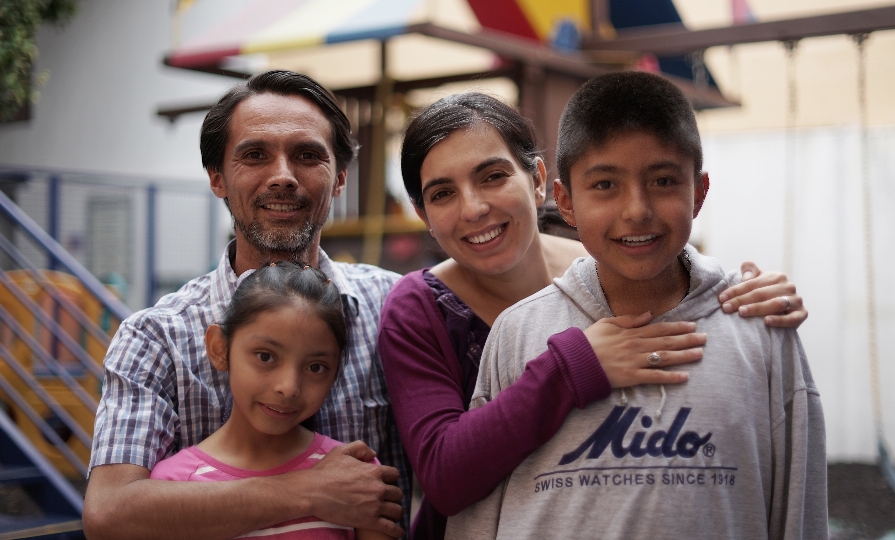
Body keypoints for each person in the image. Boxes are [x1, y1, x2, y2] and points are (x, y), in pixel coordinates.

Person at [378, 93, 809, 539]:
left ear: (540, 181)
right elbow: (444, 476)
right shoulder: (420, 308)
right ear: (422, 214)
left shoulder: (622, 259)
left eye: (493, 176)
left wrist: (743, 293)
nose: (473, 208)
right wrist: (574, 367)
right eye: (443, 193)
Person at [84, 71, 407, 540]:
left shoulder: (395, 310)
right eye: (255, 155)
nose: (282, 176)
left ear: (339, 178)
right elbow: (110, 514)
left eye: (307, 155)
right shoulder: (157, 338)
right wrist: (308, 493)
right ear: (217, 177)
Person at [150, 262, 389, 540]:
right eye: (265, 356)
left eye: (315, 367)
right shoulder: (172, 486)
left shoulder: (355, 479)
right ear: (219, 348)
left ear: (336, 372)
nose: (288, 388)